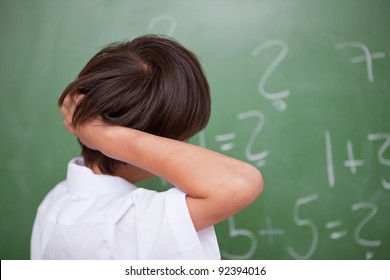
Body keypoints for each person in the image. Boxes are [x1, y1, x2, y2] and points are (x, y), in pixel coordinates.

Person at [31, 35, 263, 259]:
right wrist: (106, 135)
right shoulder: (125, 224)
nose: (184, 146)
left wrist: (99, 129)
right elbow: (239, 182)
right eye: (180, 140)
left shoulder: (57, 198)